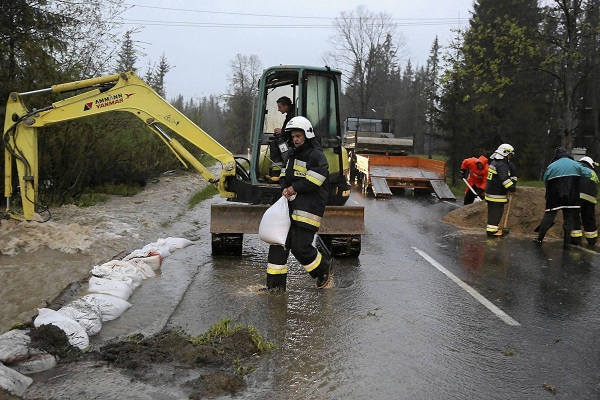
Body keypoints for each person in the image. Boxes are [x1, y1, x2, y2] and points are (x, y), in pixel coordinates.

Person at [261, 116, 331, 292]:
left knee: (301, 247)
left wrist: (294, 188)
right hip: (291, 208)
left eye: (298, 136)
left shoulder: (316, 155)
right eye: (293, 136)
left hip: (308, 209)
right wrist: (285, 188)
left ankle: (323, 268)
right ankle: (274, 288)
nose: (295, 139)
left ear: (307, 134)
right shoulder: (292, 154)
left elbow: (316, 179)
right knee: (279, 244)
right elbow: (284, 175)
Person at [532, 148, 593, 248]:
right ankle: (566, 242)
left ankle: (539, 239)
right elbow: (588, 174)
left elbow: (545, 181)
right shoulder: (575, 164)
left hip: (554, 196)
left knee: (549, 216)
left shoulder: (551, 166)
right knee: (569, 218)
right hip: (571, 195)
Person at [484, 143, 516, 237]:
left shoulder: (494, 162)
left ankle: (493, 229)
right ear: (505, 153)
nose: (510, 157)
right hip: (497, 193)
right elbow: (504, 179)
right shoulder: (501, 165)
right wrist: (512, 187)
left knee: (493, 213)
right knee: (496, 213)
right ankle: (492, 232)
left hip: (491, 192)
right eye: (509, 154)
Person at [570, 156, 598, 246]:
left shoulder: (578, 167)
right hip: (591, 198)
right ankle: (592, 240)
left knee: (574, 216)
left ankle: (576, 239)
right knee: (589, 218)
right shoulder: (593, 172)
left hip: (578, 195)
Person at [269, 96, 295, 165]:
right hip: (290, 142)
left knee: (275, 143)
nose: (278, 109)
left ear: (286, 106)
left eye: (280, 107)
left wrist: (282, 132)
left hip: (290, 144)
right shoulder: (291, 113)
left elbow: (293, 130)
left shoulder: (293, 115)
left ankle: (278, 167)